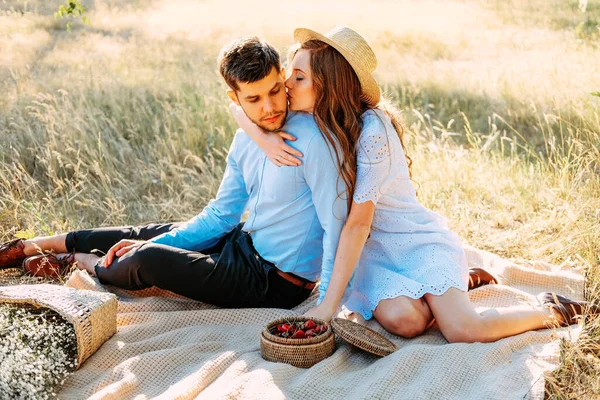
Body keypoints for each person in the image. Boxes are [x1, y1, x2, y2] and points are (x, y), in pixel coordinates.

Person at [231, 26, 599, 342]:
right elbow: (236, 102)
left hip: (411, 240)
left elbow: (358, 222)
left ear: (328, 84)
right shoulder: (311, 114)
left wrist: (327, 306)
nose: (285, 85)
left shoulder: (372, 129)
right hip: (370, 254)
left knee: (462, 330)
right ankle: (459, 281)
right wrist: (259, 136)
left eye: (297, 77)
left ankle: (549, 310)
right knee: (408, 322)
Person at [0, 36, 348, 310]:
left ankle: (80, 262)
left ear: (284, 81)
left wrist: (325, 303)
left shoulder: (314, 140)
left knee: (148, 257)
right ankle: (31, 245)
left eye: (275, 91)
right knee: (150, 232)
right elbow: (220, 216)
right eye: (254, 99)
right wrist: (153, 240)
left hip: (273, 281)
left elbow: (336, 226)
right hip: (243, 241)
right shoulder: (246, 140)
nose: (270, 107)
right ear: (235, 98)